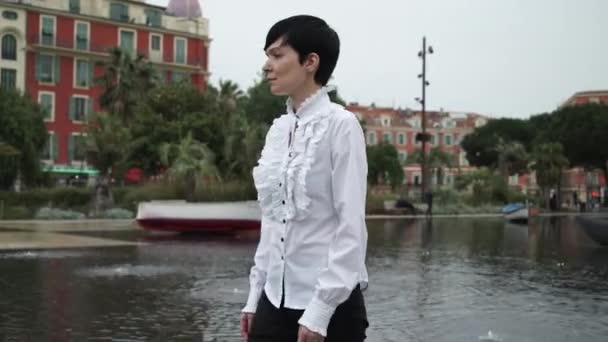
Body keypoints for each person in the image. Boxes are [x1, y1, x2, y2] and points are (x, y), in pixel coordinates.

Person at [240, 15, 369, 342]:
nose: (267, 66)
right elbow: (272, 222)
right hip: (274, 299)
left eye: (277, 55)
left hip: (329, 307)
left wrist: (320, 312)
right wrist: (255, 296)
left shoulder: (341, 126)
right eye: (268, 56)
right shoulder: (279, 130)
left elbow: (350, 225)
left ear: (311, 61)